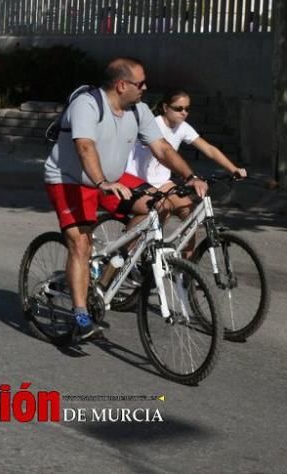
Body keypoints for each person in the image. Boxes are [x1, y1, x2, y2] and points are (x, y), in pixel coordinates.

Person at [43, 57, 209, 341]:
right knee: (80, 244)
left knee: (159, 204)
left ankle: (116, 266)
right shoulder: (87, 104)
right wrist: (102, 182)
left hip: (112, 180)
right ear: (121, 85)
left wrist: (190, 176)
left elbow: (162, 149)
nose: (145, 87)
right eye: (140, 82)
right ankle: (81, 315)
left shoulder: (139, 110)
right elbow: (84, 146)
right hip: (71, 180)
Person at [126, 89, 246, 245]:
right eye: (178, 108)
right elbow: (162, 154)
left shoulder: (183, 127)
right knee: (162, 210)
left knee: (191, 216)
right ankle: (127, 252)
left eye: (187, 109)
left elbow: (209, 149)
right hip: (139, 179)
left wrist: (233, 169)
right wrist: (189, 176)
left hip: (162, 181)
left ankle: (186, 266)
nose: (184, 113)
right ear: (165, 107)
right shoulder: (154, 125)